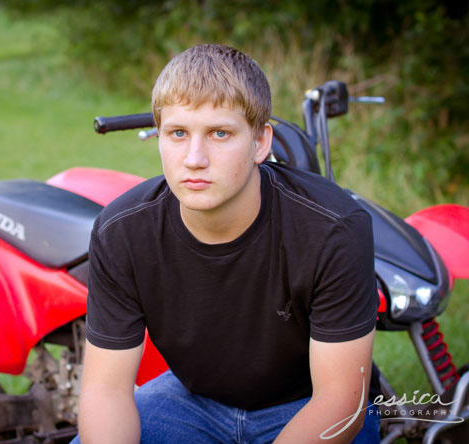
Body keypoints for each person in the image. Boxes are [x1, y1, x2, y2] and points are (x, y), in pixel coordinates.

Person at [75, 44, 379, 443]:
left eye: (220, 133)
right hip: (190, 403)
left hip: (309, 405)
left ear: (260, 143)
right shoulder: (122, 232)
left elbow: (341, 401)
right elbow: (106, 391)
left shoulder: (333, 228)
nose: (195, 158)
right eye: (178, 133)